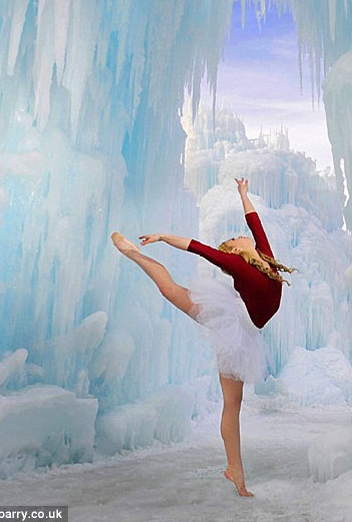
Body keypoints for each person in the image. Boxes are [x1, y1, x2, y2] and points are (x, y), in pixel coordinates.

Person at [111, 177, 293, 497]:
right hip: (232, 323)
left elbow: (254, 221)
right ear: (236, 250)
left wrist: (243, 193)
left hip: (247, 332)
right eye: (235, 238)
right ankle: (134, 253)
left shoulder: (263, 253)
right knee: (171, 290)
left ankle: (235, 471)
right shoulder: (236, 262)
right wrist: (165, 236)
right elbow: (199, 248)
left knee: (233, 406)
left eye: (237, 235)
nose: (239, 236)